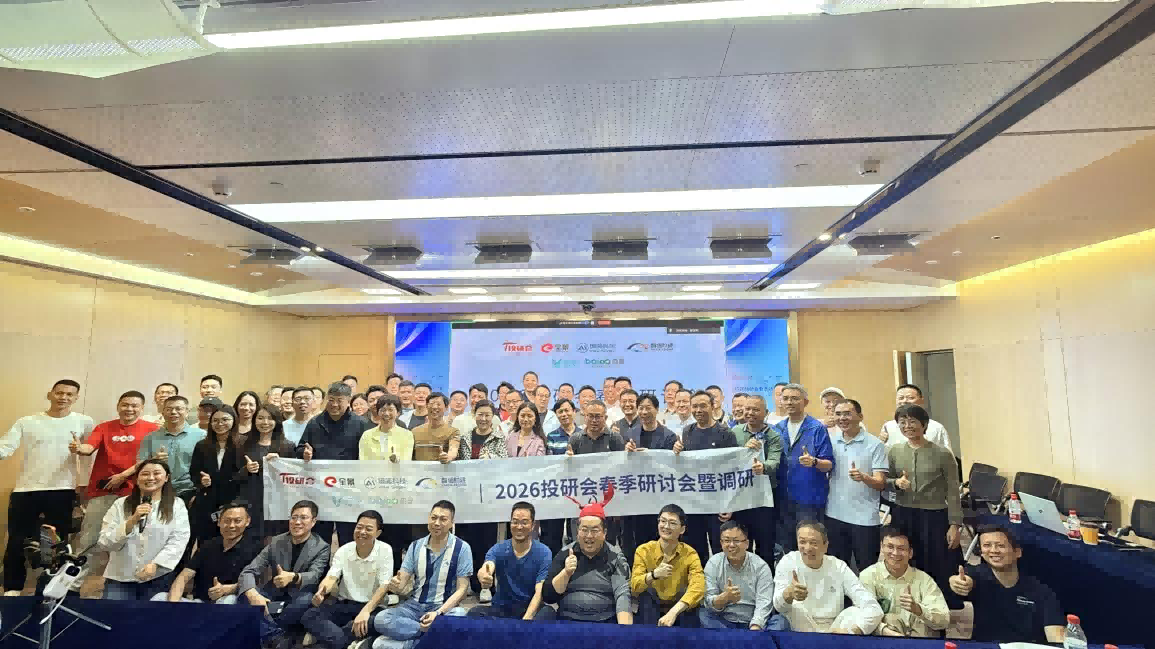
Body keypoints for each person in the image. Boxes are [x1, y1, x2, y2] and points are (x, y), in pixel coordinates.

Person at [1, 379, 95, 595]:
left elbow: (90, 454)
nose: (64, 397)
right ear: (50, 394)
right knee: (17, 541)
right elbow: (6, 446)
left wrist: (83, 484)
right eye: (59, 393)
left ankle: (48, 590)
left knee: (55, 544)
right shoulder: (27, 421)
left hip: (62, 490)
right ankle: (12, 590)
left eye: (69, 394)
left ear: (76, 398)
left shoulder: (84, 421)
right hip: (26, 490)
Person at [71, 391, 155, 586]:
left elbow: (148, 459)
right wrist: (79, 448)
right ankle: (73, 585)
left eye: (134, 405)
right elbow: (88, 448)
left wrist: (123, 476)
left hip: (136, 492)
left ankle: (129, 583)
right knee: (89, 539)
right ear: (118, 406)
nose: (129, 409)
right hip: (103, 491)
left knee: (134, 538)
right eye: (125, 405)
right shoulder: (104, 427)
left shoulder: (152, 430)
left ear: (142, 408)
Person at [370, 501, 471, 649]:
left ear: (451, 523)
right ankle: (430, 636)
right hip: (414, 606)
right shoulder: (415, 546)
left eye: (443, 519)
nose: (437, 523)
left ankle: (405, 644)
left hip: (444, 607)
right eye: (433, 518)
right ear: (428, 518)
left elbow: (462, 589)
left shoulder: (462, 548)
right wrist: (396, 585)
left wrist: (438, 613)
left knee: (461, 615)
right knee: (381, 619)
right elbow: (402, 581)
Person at [887, 403, 962, 600]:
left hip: (934, 515)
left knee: (937, 559)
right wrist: (896, 483)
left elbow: (953, 491)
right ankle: (908, 599)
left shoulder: (943, 454)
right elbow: (886, 481)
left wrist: (955, 524)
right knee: (904, 557)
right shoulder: (894, 451)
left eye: (912, 421)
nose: (907, 426)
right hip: (903, 514)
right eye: (902, 422)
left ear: (924, 424)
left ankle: (938, 602)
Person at [948, 524, 1065, 644]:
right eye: (987, 545)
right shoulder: (977, 576)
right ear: (982, 553)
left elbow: (1056, 636)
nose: (994, 550)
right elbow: (961, 580)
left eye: (1001, 545)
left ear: (1017, 552)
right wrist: (955, 582)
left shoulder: (1041, 591)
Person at [238, 500, 331, 649]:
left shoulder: (321, 547)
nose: (297, 522)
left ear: (313, 521)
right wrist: (252, 594)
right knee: (244, 594)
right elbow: (249, 571)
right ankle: (276, 636)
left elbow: (315, 575)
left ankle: (266, 630)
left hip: (300, 595)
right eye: (294, 517)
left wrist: (293, 577)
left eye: (303, 518)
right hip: (274, 593)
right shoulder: (277, 541)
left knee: (307, 601)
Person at [99, 459, 191, 600]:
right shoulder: (120, 504)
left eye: (157, 473)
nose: (151, 478)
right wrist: (132, 520)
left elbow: (179, 540)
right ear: (136, 479)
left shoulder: (176, 505)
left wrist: (156, 564)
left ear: (166, 477)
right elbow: (105, 541)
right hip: (120, 577)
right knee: (114, 613)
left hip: (158, 576)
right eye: (145, 474)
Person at [538, 488, 632, 624]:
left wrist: (624, 632)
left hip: (604, 621)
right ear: (577, 531)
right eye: (584, 530)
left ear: (604, 533)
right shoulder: (565, 553)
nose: (589, 536)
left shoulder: (615, 556)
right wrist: (566, 573)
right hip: (568, 620)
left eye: (595, 530)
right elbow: (548, 596)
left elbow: (623, 596)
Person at [302, 510, 393, 649]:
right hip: (345, 604)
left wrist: (365, 612)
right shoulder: (344, 550)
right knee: (309, 615)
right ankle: (349, 640)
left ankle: (328, 638)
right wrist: (322, 591)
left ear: (378, 533)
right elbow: (331, 576)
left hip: (372, 606)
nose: (362, 532)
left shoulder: (385, 550)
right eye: (359, 527)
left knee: (378, 622)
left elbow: (384, 587)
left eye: (368, 529)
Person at [773, 521, 882, 634]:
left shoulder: (839, 566)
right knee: (794, 609)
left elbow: (873, 607)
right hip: (801, 627)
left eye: (814, 543)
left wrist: (854, 631)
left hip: (835, 630)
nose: (808, 548)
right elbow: (779, 607)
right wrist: (789, 593)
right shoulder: (788, 561)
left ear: (825, 546)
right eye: (802, 542)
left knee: (854, 612)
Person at [298, 382, 373, 544]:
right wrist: (304, 453)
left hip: (349, 489)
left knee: (348, 534)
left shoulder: (361, 423)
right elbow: (301, 447)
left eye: (339, 400)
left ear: (348, 401)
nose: (334, 404)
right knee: (320, 535)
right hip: (320, 488)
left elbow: (368, 454)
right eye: (331, 400)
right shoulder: (315, 423)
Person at [674, 391, 738, 563]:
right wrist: (678, 451)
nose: (698, 410)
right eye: (694, 406)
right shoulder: (687, 431)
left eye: (703, 406)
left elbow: (734, 470)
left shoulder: (725, 433)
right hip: (694, 502)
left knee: (720, 549)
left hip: (718, 502)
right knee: (695, 549)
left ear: (713, 406)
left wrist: (730, 503)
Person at [825, 399, 888, 573]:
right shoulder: (830, 442)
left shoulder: (875, 444)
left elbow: (881, 483)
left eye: (847, 414)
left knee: (867, 570)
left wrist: (864, 477)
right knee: (837, 570)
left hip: (864, 519)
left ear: (860, 416)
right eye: (838, 414)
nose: (842, 418)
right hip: (834, 515)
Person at [159, 501, 262, 604]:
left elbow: (259, 581)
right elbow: (183, 577)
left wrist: (229, 589)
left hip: (233, 604)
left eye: (237, 521)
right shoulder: (208, 545)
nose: (231, 525)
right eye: (227, 521)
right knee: (160, 597)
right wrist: (173, 604)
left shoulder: (254, 548)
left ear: (247, 521)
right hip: (201, 603)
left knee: (228, 600)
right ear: (219, 522)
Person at [772, 384, 834, 552]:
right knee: (787, 545)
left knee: (809, 545)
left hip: (809, 499)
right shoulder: (777, 429)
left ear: (805, 402)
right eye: (786, 398)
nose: (789, 402)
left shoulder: (817, 428)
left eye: (794, 398)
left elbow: (829, 464)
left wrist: (814, 462)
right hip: (783, 498)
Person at [455, 399, 505, 603]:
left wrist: (490, 459)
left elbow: (505, 464)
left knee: (487, 541)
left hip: (489, 499)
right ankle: (467, 583)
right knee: (467, 541)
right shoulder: (465, 437)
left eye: (487, 415)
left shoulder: (499, 438)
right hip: (467, 498)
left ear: (493, 417)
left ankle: (486, 586)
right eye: (480, 414)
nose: (483, 418)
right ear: (474, 415)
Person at [859, 526, 950, 637]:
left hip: (919, 637)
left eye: (901, 548)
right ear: (882, 547)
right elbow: (862, 617)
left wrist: (918, 610)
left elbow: (944, 620)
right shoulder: (868, 575)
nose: (895, 553)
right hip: (885, 638)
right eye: (890, 547)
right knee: (890, 619)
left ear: (910, 553)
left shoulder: (924, 579)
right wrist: (886, 631)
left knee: (924, 624)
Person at [618, 394, 679, 559]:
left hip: (658, 497)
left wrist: (650, 456)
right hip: (635, 497)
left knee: (656, 539)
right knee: (633, 540)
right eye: (641, 408)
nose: (644, 412)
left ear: (657, 410)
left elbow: (672, 467)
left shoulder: (669, 436)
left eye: (648, 408)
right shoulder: (630, 433)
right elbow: (623, 465)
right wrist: (626, 452)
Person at [469, 502, 553, 620]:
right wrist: (484, 576)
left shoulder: (544, 552)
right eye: (515, 522)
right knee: (474, 613)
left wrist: (525, 621)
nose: (519, 527)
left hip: (529, 609)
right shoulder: (499, 548)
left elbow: (539, 592)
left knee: (548, 613)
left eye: (524, 522)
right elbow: (487, 566)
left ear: (533, 525)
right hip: (502, 609)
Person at [699, 521, 787, 631]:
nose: (731, 545)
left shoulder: (760, 566)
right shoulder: (713, 563)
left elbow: (764, 603)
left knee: (780, 621)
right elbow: (709, 601)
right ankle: (731, 638)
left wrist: (755, 628)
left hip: (752, 622)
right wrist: (724, 598)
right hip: (724, 623)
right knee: (703, 614)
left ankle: (735, 639)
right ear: (721, 543)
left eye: (736, 541)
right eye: (727, 541)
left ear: (747, 544)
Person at [630, 504, 704, 627]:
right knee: (646, 596)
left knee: (692, 606)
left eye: (672, 523)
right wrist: (653, 575)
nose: (666, 526)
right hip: (651, 606)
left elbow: (698, 587)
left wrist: (673, 612)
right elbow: (634, 586)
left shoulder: (690, 553)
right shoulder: (644, 550)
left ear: (682, 529)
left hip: (679, 607)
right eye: (663, 521)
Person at [733, 394, 783, 566]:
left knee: (765, 543)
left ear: (765, 413)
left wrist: (764, 467)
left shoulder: (774, 436)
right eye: (747, 409)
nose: (750, 413)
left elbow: (774, 461)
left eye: (755, 409)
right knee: (741, 540)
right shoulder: (735, 432)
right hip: (741, 495)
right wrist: (744, 450)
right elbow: (728, 459)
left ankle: (766, 578)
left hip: (765, 496)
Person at [235, 404, 296, 537]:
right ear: (254, 419)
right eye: (261, 418)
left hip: (276, 502)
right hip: (250, 500)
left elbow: (292, 478)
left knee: (275, 539)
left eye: (270, 418)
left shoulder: (287, 446)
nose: (265, 422)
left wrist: (280, 465)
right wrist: (246, 469)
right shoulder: (243, 443)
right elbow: (234, 476)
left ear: (277, 421)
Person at [189, 405, 242, 544]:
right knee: (206, 542)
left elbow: (244, 474)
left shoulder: (244, 443)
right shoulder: (202, 445)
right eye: (215, 420)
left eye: (225, 419)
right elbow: (194, 471)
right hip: (207, 501)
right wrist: (202, 480)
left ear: (234, 420)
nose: (220, 424)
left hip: (234, 501)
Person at [136, 395, 203, 503]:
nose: (173, 412)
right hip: (159, 491)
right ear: (163, 412)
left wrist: (200, 494)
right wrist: (154, 461)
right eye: (169, 409)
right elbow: (139, 466)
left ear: (187, 412)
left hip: (191, 491)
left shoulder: (201, 436)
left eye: (178, 408)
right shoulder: (150, 438)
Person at [879, 384, 953, 453]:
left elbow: (948, 457)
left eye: (910, 398)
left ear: (921, 400)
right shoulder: (888, 426)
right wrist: (880, 441)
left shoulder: (936, 427)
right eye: (901, 398)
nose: (905, 401)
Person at [410, 392, 464, 463]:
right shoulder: (415, 431)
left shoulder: (453, 431)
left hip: (442, 469)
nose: (435, 407)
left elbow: (453, 449)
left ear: (446, 408)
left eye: (438, 404)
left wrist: (447, 457)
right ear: (426, 406)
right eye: (431, 404)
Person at [359, 394, 413, 463]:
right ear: (378, 412)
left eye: (390, 410)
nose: (386, 413)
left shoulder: (406, 435)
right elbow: (363, 462)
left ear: (398, 413)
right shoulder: (367, 435)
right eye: (383, 410)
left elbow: (405, 461)